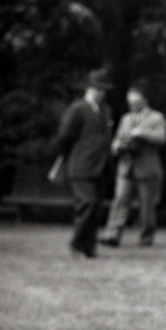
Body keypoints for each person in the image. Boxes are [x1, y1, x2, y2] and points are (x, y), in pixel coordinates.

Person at [50, 67, 113, 258]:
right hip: (81, 166)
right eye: (98, 88)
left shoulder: (105, 110)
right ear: (90, 88)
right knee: (87, 203)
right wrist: (67, 156)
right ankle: (76, 244)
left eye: (104, 89)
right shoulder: (78, 109)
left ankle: (89, 248)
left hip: (100, 167)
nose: (102, 92)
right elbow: (64, 137)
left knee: (96, 209)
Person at [99, 81, 166, 247]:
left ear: (145, 100)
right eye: (130, 103)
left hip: (147, 168)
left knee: (147, 207)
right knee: (120, 201)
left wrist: (142, 133)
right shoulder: (126, 118)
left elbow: (162, 138)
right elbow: (118, 138)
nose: (133, 105)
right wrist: (116, 146)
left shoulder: (156, 117)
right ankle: (112, 235)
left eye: (136, 102)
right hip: (126, 167)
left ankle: (146, 238)